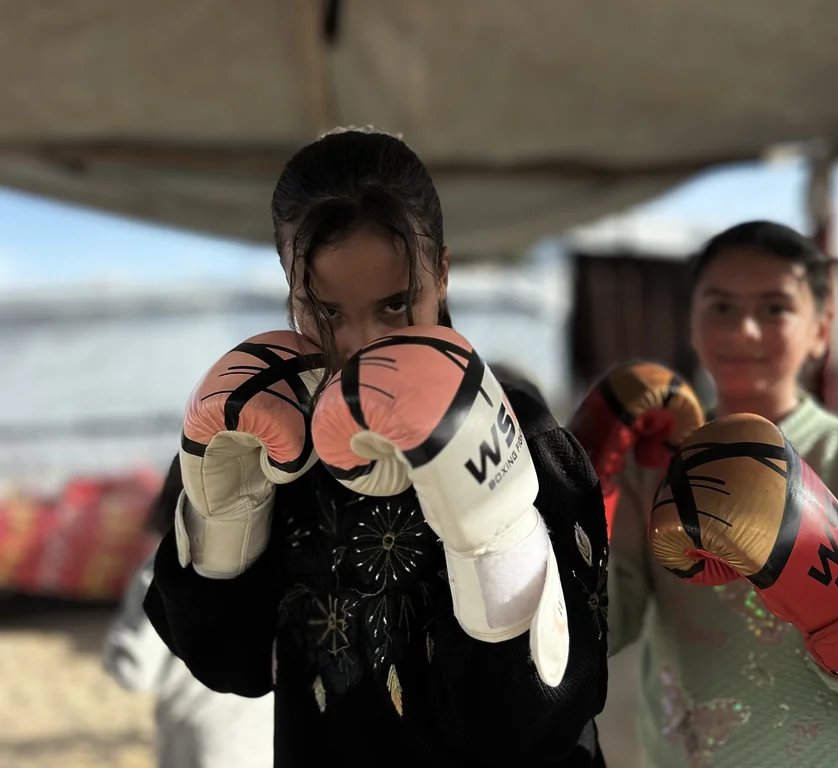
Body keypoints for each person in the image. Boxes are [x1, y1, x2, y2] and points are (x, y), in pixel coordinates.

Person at [142, 126, 609, 767]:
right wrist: (218, 519)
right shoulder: (273, 432)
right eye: (326, 311)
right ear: (289, 286)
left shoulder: (525, 434)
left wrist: (498, 537)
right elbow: (228, 665)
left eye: (395, 304)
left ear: (440, 273)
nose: (362, 342)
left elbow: (548, 719)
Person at [580, 221, 838, 767]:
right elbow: (598, 636)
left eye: (776, 308)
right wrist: (587, 500)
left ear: (821, 329)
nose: (746, 331)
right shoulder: (655, 465)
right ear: (692, 322)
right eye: (721, 307)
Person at [103, 456, 274, 768]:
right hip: (265, 741)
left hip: (197, 745)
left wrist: (114, 652)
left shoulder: (161, 570)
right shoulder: (269, 561)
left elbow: (135, 670)